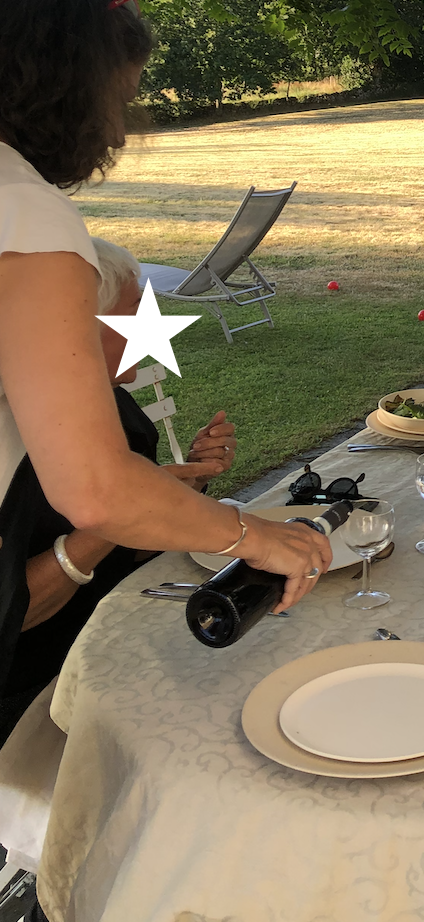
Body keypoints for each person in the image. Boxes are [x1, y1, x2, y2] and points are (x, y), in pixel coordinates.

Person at [0, 0, 329, 707]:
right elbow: (94, 489)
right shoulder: (23, 208)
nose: (118, 133)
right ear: (64, 86)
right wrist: (252, 536)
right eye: (118, 100)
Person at [0, 238, 238, 745]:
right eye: (133, 312)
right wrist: (118, 512)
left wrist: (187, 484)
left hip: (119, 632)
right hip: (37, 692)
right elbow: (11, 613)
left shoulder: (112, 404)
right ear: (74, 325)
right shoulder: (9, 441)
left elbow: (132, 549)